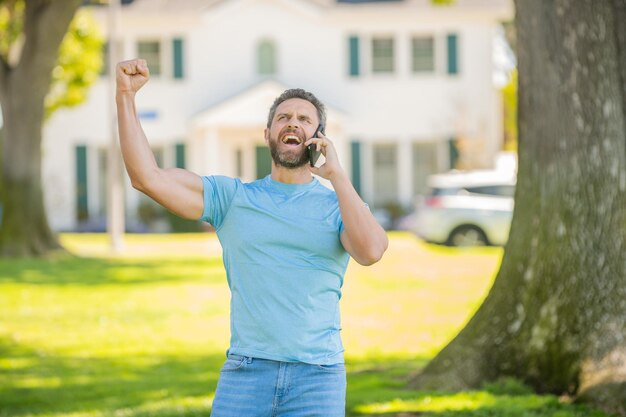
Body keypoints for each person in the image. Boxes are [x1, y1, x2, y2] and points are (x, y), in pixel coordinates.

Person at [116, 58, 388, 417]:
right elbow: (147, 177)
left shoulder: (340, 205)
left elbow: (370, 251)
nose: (293, 122)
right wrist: (125, 96)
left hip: (317, 376)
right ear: (267, 134)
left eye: (304, 119)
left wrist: (337, 176)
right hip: (246, 373)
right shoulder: (233, 199)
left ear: (319, 138)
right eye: (283, 117)